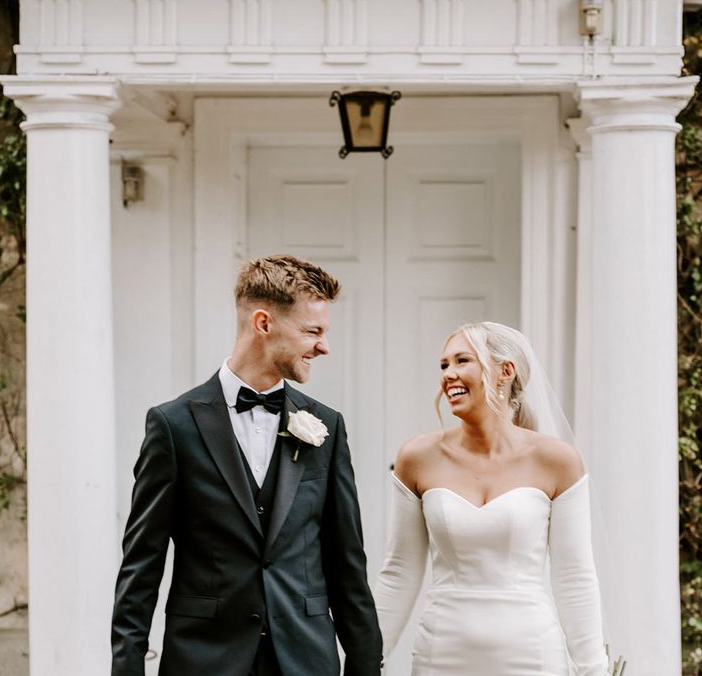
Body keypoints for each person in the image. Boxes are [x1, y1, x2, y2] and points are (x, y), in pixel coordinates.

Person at [111, 255, 382, 676]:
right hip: (204, 659)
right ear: (263, 323)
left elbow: (347, 562)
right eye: (313, 331)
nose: (324, 346)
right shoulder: (173, 425)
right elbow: (141, 565)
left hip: (305, 659)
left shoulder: (326, 426)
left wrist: (365, 666)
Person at [373, 322, 607, 675]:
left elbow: (574, 577)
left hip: (532, 654)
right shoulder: (416, 458)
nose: (448, 374)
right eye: (443, 365)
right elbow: (399, 573)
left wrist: (593, 669)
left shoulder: (558, 461)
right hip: (441, 654)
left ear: (505, 372)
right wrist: (365, 661)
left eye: (461, 361)